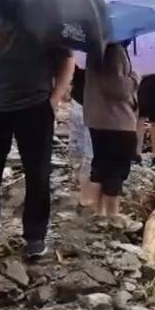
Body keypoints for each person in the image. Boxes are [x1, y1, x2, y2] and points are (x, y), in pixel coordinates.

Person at [0, 7, 73, 260]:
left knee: (37, 173)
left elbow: (66, 60)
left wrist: (54, 100)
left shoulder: (49, 14)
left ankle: (35, 236)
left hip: (35, 106)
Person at [83, 43, 139, 221]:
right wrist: (135, 78)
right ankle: (112, 215)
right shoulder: (114, 51)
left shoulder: (93, 50)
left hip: (97, 119)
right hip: (117, 120)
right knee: (116, 169)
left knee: (100, 166)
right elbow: (119, 88)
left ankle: (97, 213)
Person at [67, 57, 93, 206]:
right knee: (90, 151)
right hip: (93, 103)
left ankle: (76, 178)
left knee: (78, 142)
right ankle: (85, 195)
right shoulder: (104, 54)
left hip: (78, 100)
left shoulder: (80, 50)